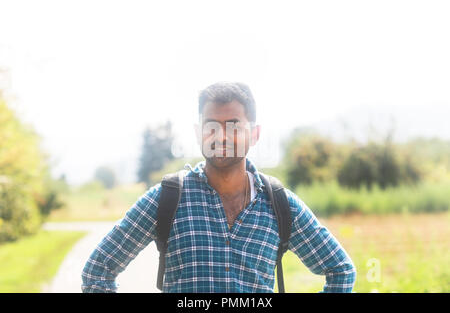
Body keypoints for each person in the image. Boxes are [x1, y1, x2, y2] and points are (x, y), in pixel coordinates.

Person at [81, 81, 356, 293]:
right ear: (198, 133)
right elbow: (97, 270)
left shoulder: (281, 205)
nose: (221, 136)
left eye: (233, 126)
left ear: (255, 134)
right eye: (211, 126)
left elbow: (341, 270)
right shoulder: (166, 198)